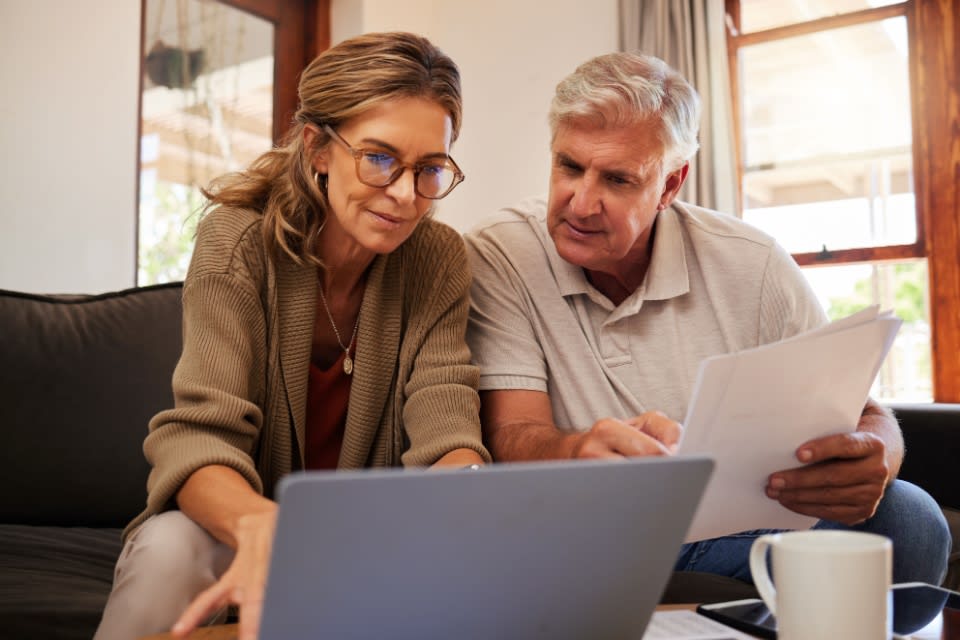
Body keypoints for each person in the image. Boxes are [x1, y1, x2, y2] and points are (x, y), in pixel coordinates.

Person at [465, 52, 949, 588]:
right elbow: (512, 432)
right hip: (598, 535)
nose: (581, 204)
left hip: (748, 526)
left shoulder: (752, 261)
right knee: (805, 573)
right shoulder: (501, 253)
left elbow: (863, 413)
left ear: (671, 186)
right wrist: (577, 452)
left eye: (619, 180)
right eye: (570, 166)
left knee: (912, 519)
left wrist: (878, 456)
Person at [94, 32, 490, 640]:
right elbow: (201, 439)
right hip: (235, 527)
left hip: (369, 541)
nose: (407, 196)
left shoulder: (438, 258)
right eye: (379, 158)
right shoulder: (238, 241)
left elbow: (447, 430)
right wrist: (262, 527)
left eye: (430, 169)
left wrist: (460, 490)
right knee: (170, 547)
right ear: (318, 148)